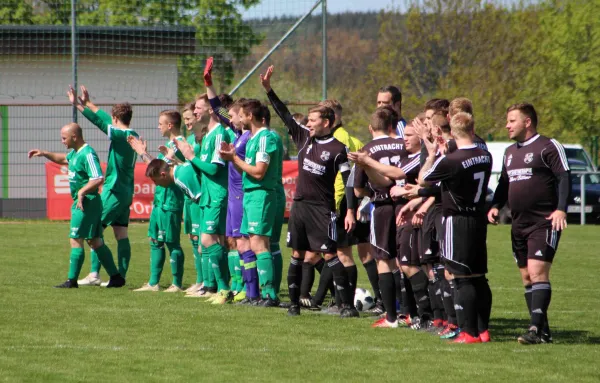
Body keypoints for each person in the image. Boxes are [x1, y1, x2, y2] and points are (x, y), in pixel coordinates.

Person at [261, 65, 358, 317]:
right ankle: (294, 305)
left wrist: (349, 211)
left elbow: (349, 180)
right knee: (296, 254)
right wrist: (269, 90)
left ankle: (345, 306)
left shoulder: (338, 149)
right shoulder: (304, 137)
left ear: (326, 122)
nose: (308, 123)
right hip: (300, 207)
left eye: (313, 120)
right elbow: (283, 114)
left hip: (323, 210)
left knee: (330, 255)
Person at [488, 103, 570, 345]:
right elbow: (504, 183)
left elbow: (564, 177)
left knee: (537, 272)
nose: (507, 125)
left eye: (512, 120)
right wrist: (495, 205)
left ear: (527, 122)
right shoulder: (509, 152)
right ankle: (544, 332)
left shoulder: (548, 146)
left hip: (543, 222)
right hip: (518, 225)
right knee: (526, 277)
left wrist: (561, 209)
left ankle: (534, 329)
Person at [419, 112, 493, 344]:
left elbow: (423, 179)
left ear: (451, 132)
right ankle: (483, 330)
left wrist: (432, 154)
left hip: (457, 219)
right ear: (473, 129)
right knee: (479, 277)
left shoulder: (451, 160)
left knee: (460, 277)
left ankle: (468, 332)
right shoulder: (485, 155)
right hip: (478, 219)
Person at [28, 123, 125, 288]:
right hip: (86, 202)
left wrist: (82, 192)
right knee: (95, 241)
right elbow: (62, 159)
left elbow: (97, 178)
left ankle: (71, 280)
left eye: (64, 138)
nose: (62, 141)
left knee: (75, 239)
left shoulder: (88, 154)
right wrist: (44, 153)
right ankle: (116, 277)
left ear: (75, 137)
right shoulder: (75, 153)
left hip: (87, 203)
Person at [67, 86, 138, 287]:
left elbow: (99, 121)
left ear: (116, 118)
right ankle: (120, 276)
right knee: (120, 233)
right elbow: (105, 120)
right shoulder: (133, 134)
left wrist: (78, 106)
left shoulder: (120, 135)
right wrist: (87, 102)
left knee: (94, 231)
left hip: (114, 190)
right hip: (126, 192)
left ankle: (95, 274)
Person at [218, 99, 284, 307]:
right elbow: (248, 170)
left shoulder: (266, 137)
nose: (238, 117)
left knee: (260, 244)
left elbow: (259, 171)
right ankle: (253, 293)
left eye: (243, 114)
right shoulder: (254, 137)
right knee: (247, 244)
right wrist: (233, 159)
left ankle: (270, 295)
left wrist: (234, 159)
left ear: (252, 117)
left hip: (261, 194)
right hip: (250, 194)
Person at [131, 111, 186, 292]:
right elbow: (157, 170)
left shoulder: (180, 145)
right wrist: (143, 153)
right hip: (159, 201)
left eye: (160, 123)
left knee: (172, 242)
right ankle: (153, 283)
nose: (158, 127)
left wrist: (143, 153)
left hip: (171, 201)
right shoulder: (170, 145)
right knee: (155, 240)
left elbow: (177, 171)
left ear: (169, 125)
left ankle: (176, 284)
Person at [181, 102, 209, 294]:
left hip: (201, 196)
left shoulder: (204, 139)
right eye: (184, 120)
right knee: (193, 238)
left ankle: (208, 282)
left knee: (203, 240)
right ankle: (200, 280)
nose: (187, 122)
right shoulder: (190, 139)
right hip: (189, 197)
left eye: (189, 118)